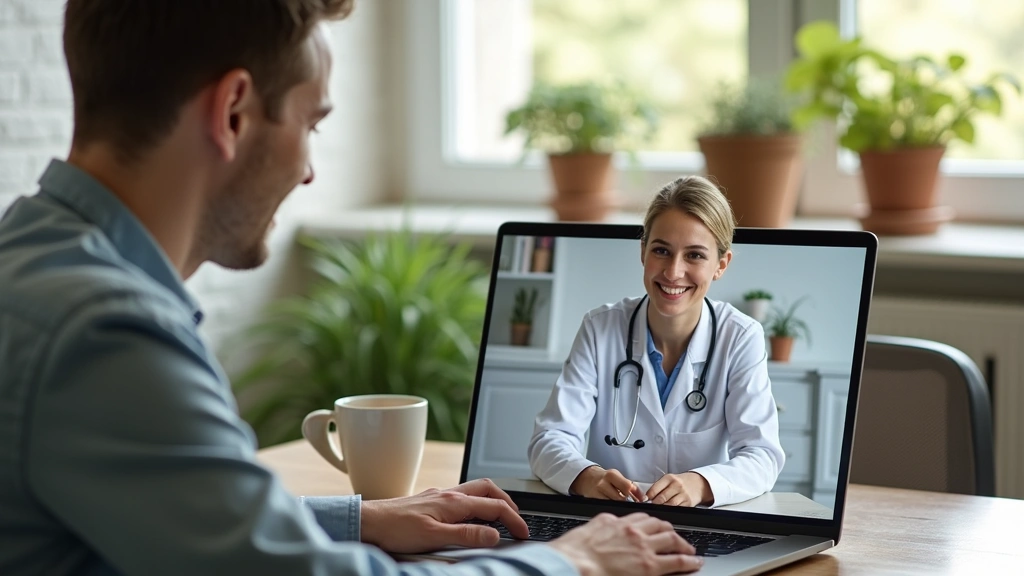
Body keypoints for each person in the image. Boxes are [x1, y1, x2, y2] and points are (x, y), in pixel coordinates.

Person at [0, 1, 704, 575]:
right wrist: (572, 561)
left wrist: (360, 519)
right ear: (233, 113)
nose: (308, 170)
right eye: (311, 123)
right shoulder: (107, 332)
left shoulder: (33, 262)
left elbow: (177, 516)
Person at [528, 176, 785, 507]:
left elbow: (762, 455)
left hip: (700, 522)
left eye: (695, 255)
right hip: (611, 520)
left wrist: (701, 484)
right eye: (662, 250)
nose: (674, 272)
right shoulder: (600, 328)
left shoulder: (740, 337)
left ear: (721, 265)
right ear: (643, 251)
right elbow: (550, 439)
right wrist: (587, 476)